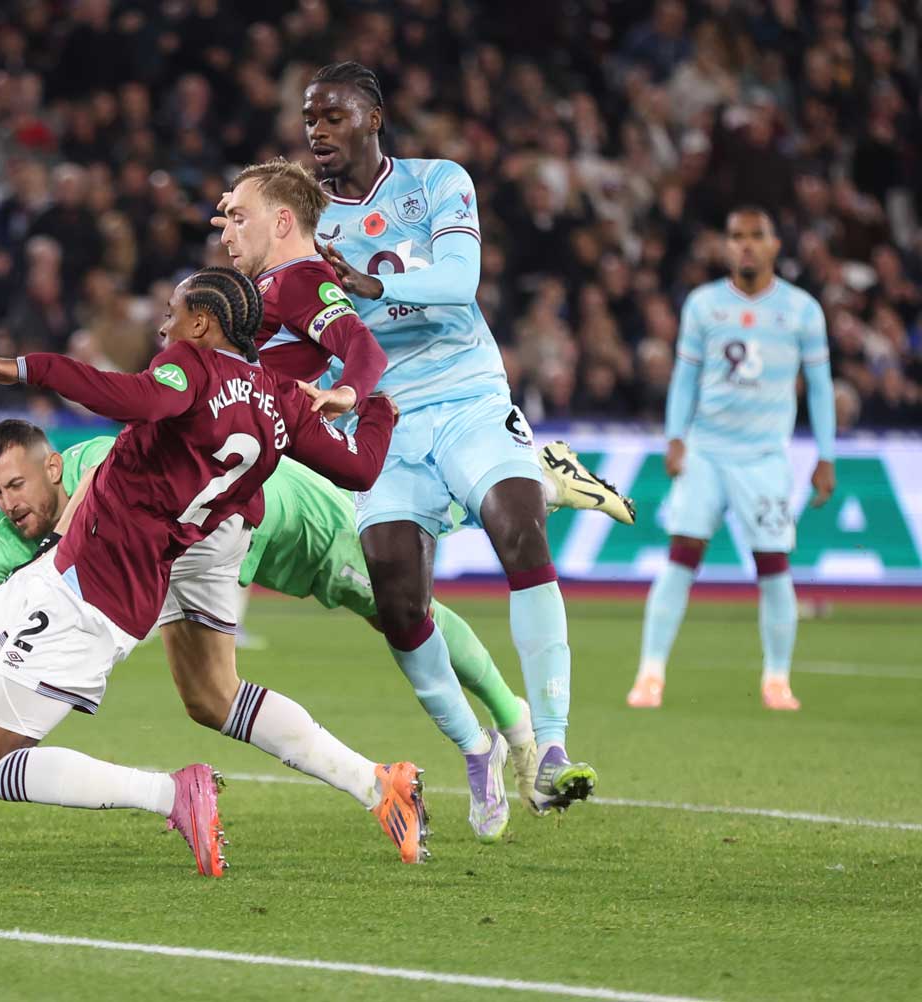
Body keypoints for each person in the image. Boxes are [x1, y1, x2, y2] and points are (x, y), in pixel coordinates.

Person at [0, 268, 416, 874]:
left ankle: (172, 794)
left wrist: (28, 369)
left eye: (175, 312)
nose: (163, 323)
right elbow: (359, 466)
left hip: (97, 593)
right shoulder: (283, 401)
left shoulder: (193, 368)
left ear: (204, 324)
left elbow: (138, 400)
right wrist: (379, 408)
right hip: (86, 571)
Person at [299, 61, 596, 813]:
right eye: (310, 120)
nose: (318, 131)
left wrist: (374, 285)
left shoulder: (436, 182)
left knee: (519, 532)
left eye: (332, 116)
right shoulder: (305, 223)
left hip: (467, 394)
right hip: (383, 419)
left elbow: (460, 280)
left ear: (372, 116)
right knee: (398, 598)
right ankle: (477, 745)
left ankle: (554, 742)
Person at [628, 207, 835, 711]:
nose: (745, 245)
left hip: (765, 457)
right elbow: (684, 378)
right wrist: (676, 437)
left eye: (756, 236)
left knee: (773, 563)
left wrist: (826, 454)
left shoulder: (803, 309)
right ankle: (650, 674)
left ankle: (777, 680)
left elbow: (822, 388)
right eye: (736, 236)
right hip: (707, 452)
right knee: (682, 555)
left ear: (774, 245)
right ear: (726, 245)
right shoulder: (703, 305)